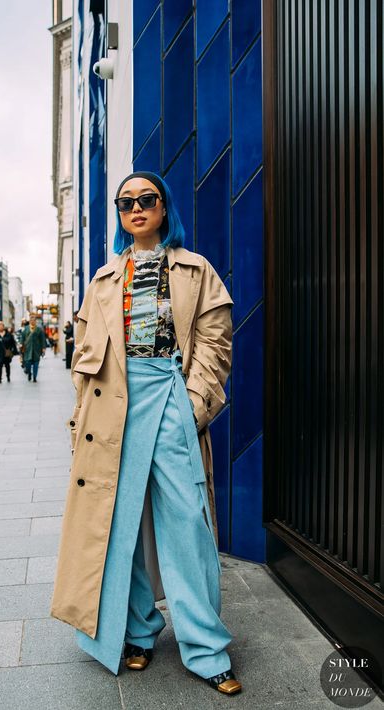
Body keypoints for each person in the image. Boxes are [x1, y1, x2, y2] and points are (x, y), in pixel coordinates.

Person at [50, 171, 241, 696]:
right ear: (119, 213)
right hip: (114, 407)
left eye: (147, 200)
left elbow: (215, 343)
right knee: (119, 526)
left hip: (171, 399)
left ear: (163, 208)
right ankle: (136, 632)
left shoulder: (195, 269)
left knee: (187, 525)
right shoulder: (103, 280)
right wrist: (80, 421)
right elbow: (84, 360)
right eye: (126, 202)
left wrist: (193, 406)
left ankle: (206, 648)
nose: (136, 208)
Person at [20, 315, 46, 383]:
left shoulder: (39, 329)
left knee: (36, 364)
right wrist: (21, 344)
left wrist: (43, 348)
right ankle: (29, 373)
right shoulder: (26, 329)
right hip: (28, 349)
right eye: (31, 320)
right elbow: (22, 338)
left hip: (37, 350)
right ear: (30, 321)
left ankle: (34, 377)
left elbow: (42, 339)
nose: (33, 321)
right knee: (27, 363)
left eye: (34, 320)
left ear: (35, 321)